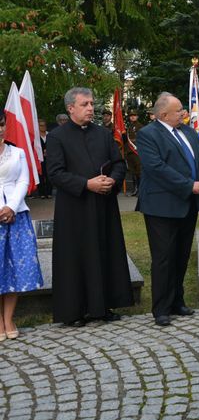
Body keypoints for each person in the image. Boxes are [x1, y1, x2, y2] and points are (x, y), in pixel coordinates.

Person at [47, 87, 133, 327]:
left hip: (104, 204)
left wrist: (112, 180)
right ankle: (75, 311)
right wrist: (86, 184)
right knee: (77, 257)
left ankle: (103, 306)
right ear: (70, 108)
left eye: (92, 103)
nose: (90, 108)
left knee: (105, 252)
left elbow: (119, 163)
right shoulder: (57, 136)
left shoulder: (104, 134)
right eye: (85, 104)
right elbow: (55, 173)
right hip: (75, 207)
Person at [136, 92, 199, 327]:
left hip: (188, 204)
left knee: (182, 255)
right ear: (163, 114)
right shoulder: (148, 134)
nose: (183, 113)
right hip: (162, 206)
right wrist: (189, 185)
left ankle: (178, 301)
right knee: (164, 258)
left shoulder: (188, 131)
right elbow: (156, 168)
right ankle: (161, 308)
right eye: (179, 110)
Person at [0, 112, 44, 341]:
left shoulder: (17, 152)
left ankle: (8, 319)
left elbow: (23, 181)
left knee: (15, 269)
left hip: (16, 216)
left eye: (1, 125)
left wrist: (11, 207)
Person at [125, 109, 142, 196]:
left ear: (137, 117)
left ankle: (140, 189)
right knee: (133, 172)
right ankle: (135, 189)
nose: (132, 117)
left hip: (137, 152)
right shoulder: (128, 127)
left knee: (139, 172)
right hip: (129, 152)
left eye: (134, 115)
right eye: (131, 116)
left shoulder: (140, 126)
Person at [37, 119, 52, 199]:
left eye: (44, 125)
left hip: (49, 159)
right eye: (41, 125)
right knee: (41, 176)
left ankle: (49, 193)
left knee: (49, 175)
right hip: (39, 159)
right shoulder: (36, 137)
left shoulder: (50, 135)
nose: (43, 127)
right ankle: (41, 193)